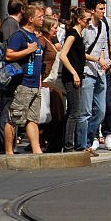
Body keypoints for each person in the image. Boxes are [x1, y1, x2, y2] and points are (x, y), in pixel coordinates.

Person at [3, 5, 44, 155]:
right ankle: (8, 152)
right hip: (23, 84)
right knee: (14, 118)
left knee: (33, 119)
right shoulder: (19, 35)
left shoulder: (34, 36)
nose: (43, 19)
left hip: (34, 85)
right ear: (31, 19)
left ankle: (36, 150)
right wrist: (28, 50)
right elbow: (9, 55)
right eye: (40, 17)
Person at [82, 0, 111, 151]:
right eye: (101, 9)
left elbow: (106, 46)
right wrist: (98, 60)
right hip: (87, 71)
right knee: (87, 110)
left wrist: (107, 62)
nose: (104, 12)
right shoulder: (83, 26)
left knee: (104, 109)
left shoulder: (105, 25)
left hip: (100, 71)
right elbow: (79, 52)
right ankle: (89, 140)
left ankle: (100, 135)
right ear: (92, 10)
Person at [60, 6, 95, 155]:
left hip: (78, 75)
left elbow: (80, 55)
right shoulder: (73, 34)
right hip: (72, 77)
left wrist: (97, 59)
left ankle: (69, 144)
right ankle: (68, 146)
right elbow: (63, 55)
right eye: (87, 20)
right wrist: (74, 73)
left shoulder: (79, 34)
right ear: (79, 20)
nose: (89, 22)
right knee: (75, 111)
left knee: (73, 111)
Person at [0, 0, 26, 154]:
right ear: (22, 9)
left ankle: (9, 145)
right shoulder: (10, 24)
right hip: (9, 74)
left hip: (13, 73)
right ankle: (5, 147)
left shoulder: (12, 24)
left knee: (11, 110)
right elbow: (9, 52)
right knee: (7, 111)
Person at [37, 16, 66, 153]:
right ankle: (43, 142)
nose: (57, 29)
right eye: (54, 27)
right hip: (45, 82)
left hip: (51, 82)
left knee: (52, 114)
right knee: (50, 114)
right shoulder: (42, 41)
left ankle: (48, 141)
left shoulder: (48, 40)